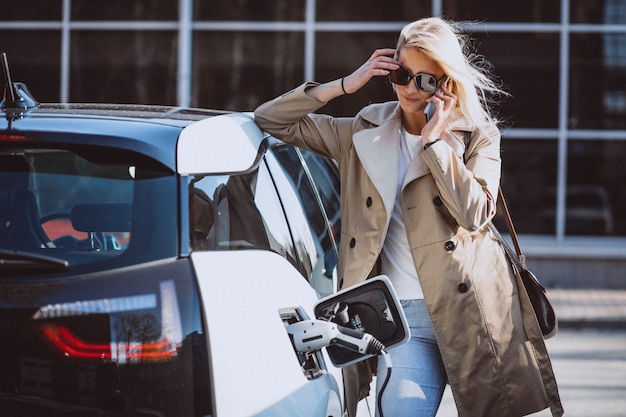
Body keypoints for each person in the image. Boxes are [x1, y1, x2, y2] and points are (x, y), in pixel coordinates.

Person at [255, 16, 563, 417]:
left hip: (472, 315)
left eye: (424, 80)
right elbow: (271, 119)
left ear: (447, 85)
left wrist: (435, 144)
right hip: (399, 318)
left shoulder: (478, 136)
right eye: (401, 74)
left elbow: (476, 214)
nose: (409, 88)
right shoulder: (363, 131)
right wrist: (347, 84)